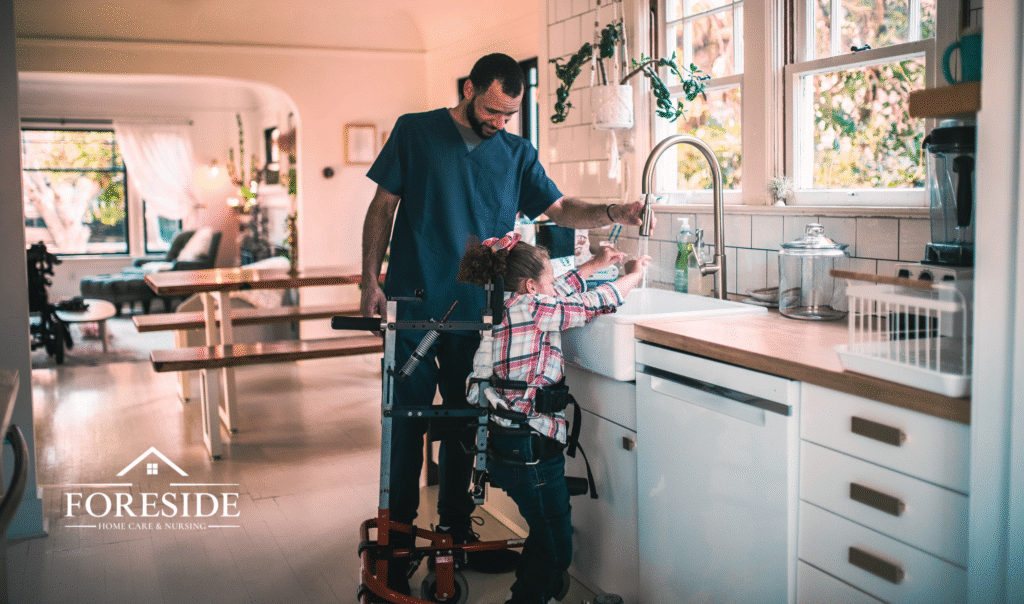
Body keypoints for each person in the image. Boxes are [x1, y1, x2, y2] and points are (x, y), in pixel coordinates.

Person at [360, 52, 648, 593]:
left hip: (479, 312)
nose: (499, 123)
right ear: (469, 88)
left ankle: (451, 536)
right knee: (404, 426)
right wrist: (369, 280)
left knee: (468, 425)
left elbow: (560, 209)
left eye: (508, 115)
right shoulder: (416, 132)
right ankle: (397, 547)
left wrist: (615, 211)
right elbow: (382, 207)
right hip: (415, 302)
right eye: (491, 110)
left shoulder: (516, 153)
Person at [458, 232, 650, 604]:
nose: (552, 284)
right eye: (545, 279)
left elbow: (560, 288)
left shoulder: (508, 302)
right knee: (557, 549)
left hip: (505, 443)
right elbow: (593, 301)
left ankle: (532, 592)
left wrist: (597, 264)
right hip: (529, 449)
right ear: (531, 286)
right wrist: (632, 276)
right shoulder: (535, 309)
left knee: (545, 533)